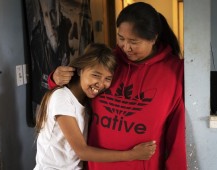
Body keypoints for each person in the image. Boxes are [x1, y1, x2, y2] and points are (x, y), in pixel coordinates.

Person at [49, 2, 186, 170]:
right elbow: (73, 92)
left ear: (153, 38)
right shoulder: (109, 61)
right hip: (96, 165)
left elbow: (178, 132)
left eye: (134, 42)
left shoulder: (175, 71)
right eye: (121, 38)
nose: (126, 47)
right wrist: (56, 79)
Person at [34, 43, 156, 170]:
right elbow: (82, 151)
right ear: (80, 70)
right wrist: (133, 154)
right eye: (96, 75)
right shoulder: (62, 98)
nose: (100, 84)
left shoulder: (87, 102)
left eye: (107, 78)